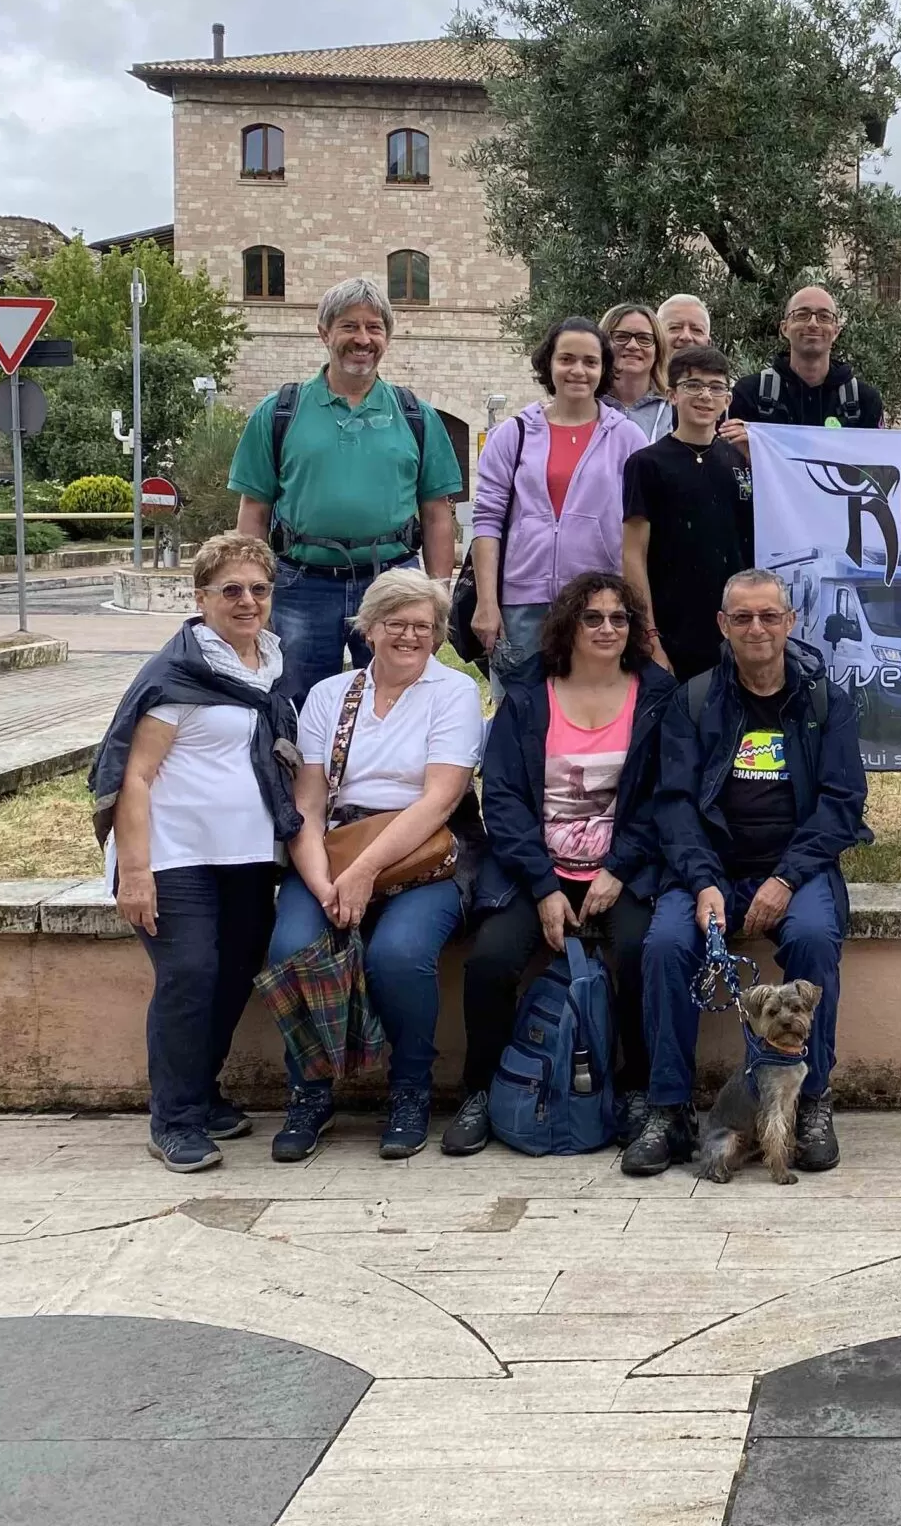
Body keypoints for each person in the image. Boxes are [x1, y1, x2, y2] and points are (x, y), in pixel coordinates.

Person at [628, 569, 868, 1178]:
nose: (757, 628)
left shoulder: (824, 701)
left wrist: (786, 878)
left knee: (813, 938)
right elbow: (674, 804)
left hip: (798, 868)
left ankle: (812, 1101)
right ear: (723, 626)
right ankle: (668, 1109)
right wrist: (704, 880)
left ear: (790, 622)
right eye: (743, 618)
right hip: (709, 870)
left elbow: (842, 803)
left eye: (769, 616)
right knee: (665, 945)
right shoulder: (693, 700)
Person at [92, 532, 300, 1175]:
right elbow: (135, 776)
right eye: (231, 590)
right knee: (189, 977)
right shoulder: (177, 673)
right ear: (201, 597)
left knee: (234, 975)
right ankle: (173, 1121)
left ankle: (202, 1096)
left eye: (258, 590)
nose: (247, 602)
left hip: (246, 855)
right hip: (174, 855)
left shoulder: (269, 662)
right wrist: (135, 872)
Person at [449, 571, 676, 1158]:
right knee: (492, 962)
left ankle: (636, 1091)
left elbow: (663, 795)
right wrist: (545, 886)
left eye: (618, 618)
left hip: (622, 870)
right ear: (568, 625)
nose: (606, 629)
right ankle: (482, 1090)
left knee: (640, 952)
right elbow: (499, 797)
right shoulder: (527, 695)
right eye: (592, 617)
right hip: (532, 870)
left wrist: (619, 867)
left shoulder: (656, 694)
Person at [262, 569, 483, 1164]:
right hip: (335, 844)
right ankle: (309, 1091)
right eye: (396, 624)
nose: (410, 637)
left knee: (399, 954)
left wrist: (361, 873)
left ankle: (409, 1089)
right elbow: (309, 801)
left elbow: (440, 798)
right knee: (292, 947)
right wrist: (319, 879)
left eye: (424, 626)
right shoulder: (331, 696)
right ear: (368, 628)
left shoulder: (453, 693)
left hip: (428, 853)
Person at [231, 276, 465, 706]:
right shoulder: (280, 411)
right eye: (349, 327)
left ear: (387, 337)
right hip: (300, 586)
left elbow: (436, 513)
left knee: (397, 701)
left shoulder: (416, 416)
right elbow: (254, 510)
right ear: (324, 333)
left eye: (374, 328)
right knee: (292, 704)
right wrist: (252, 587)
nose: (363, 339)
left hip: (393, 582)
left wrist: (438, 596)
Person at [469, 317, 647, 677]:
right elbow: (487, 520)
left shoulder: (628, 438)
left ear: (603, 369)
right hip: (523, 603)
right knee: (520, 720)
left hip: (599, 604)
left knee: (591, 712)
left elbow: (641, 529)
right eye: (566, 359)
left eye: (590, 362)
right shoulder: (512, 434)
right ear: (549, 364)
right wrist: (487, 601)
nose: (577, 370)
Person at [620, 343, 755, 680]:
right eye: (693, 385)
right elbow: (633, 554)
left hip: (732, 631)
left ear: (727, 400)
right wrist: (649, 635)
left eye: (716, 387)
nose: (705, 395)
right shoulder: (646, 464)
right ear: (672, 395)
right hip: (670, 630)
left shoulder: (740, 461)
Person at [722, 285, 885, 456]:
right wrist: (747, 452)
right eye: (802, 315)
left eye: (824, 317)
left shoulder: (864, 400)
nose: (813, 324)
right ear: (784, 328)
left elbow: (877, 470)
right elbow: (732, 464)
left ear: (836, 331)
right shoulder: (750, 393)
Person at [599, 301, 675, 441]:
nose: (632, 345)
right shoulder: (586, 405)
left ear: (658, 349)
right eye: (621, 337)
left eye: (644, 339)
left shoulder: (675, 408)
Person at [657, 292, 714, 373]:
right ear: (657, 338)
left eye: (697, 330)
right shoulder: (636, 384)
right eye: (675, 328)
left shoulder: (719, 385)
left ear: (708, 344)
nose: (686, 337)